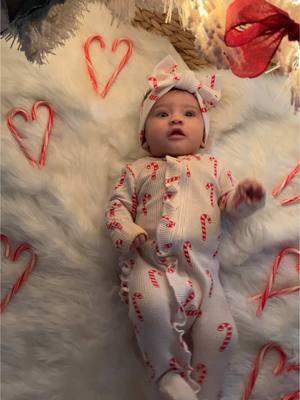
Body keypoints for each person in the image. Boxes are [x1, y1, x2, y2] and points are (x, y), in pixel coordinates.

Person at [105, 56, 266, 400]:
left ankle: (208, 394)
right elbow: (116, 207)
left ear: (204, 133)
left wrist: (247, 198)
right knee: (148, 309)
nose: (176, 118)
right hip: (151, 268)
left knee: (223, 334)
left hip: (205, 276)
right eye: (162, 114)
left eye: (189, 114)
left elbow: (229, 204)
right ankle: (166, 373)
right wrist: (127, 232)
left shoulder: (212, 166)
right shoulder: (138, 170)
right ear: (145, 135)